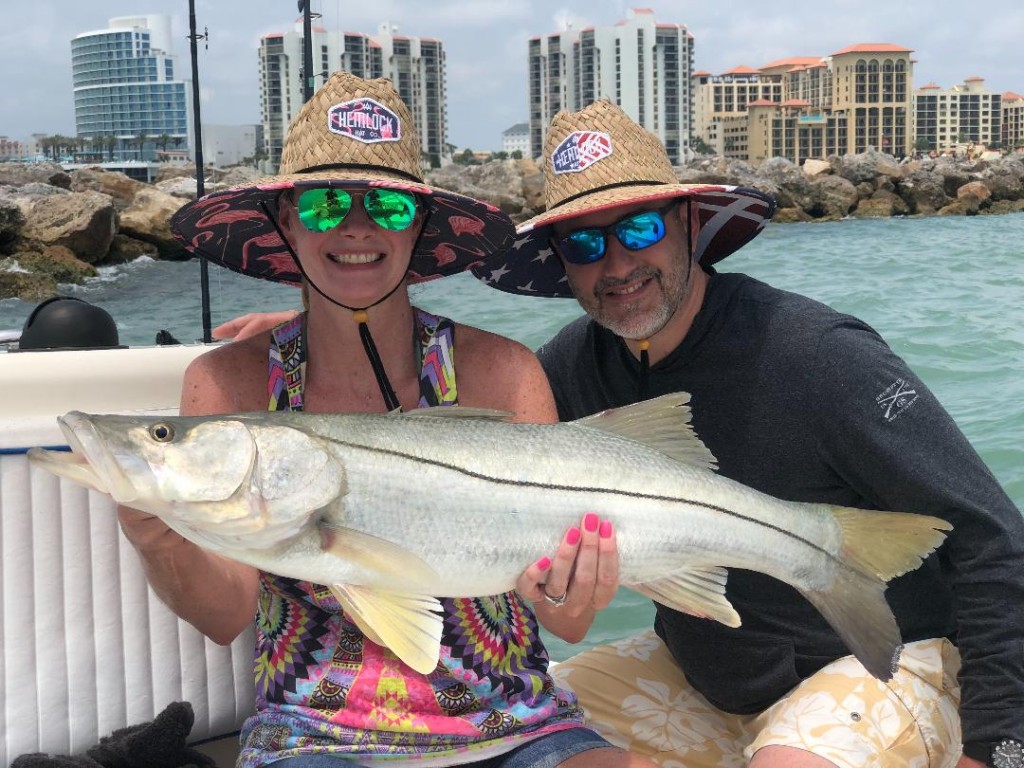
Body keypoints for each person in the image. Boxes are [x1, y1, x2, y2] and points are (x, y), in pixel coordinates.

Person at [118, 73, 657, 768]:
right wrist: (158, 538)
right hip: (315, 736)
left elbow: (567, 620)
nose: (357, 227)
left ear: (421, 227)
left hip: (522, 725)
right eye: (326, 203)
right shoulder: (229, 383)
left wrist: (578, 581)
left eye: (390, 209)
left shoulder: (504, 372)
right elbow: (226, 616)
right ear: (286, 221)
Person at [472, 100, 1024, 768]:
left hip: (888, 660)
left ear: (689, 224)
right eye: (585, 243)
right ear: (562, 261)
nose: (617, 265)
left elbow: (992, 539)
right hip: (701, 678)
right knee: (501, 730)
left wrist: (997, 747)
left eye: (640, 228)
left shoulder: (816, 354)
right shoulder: (568, 368)